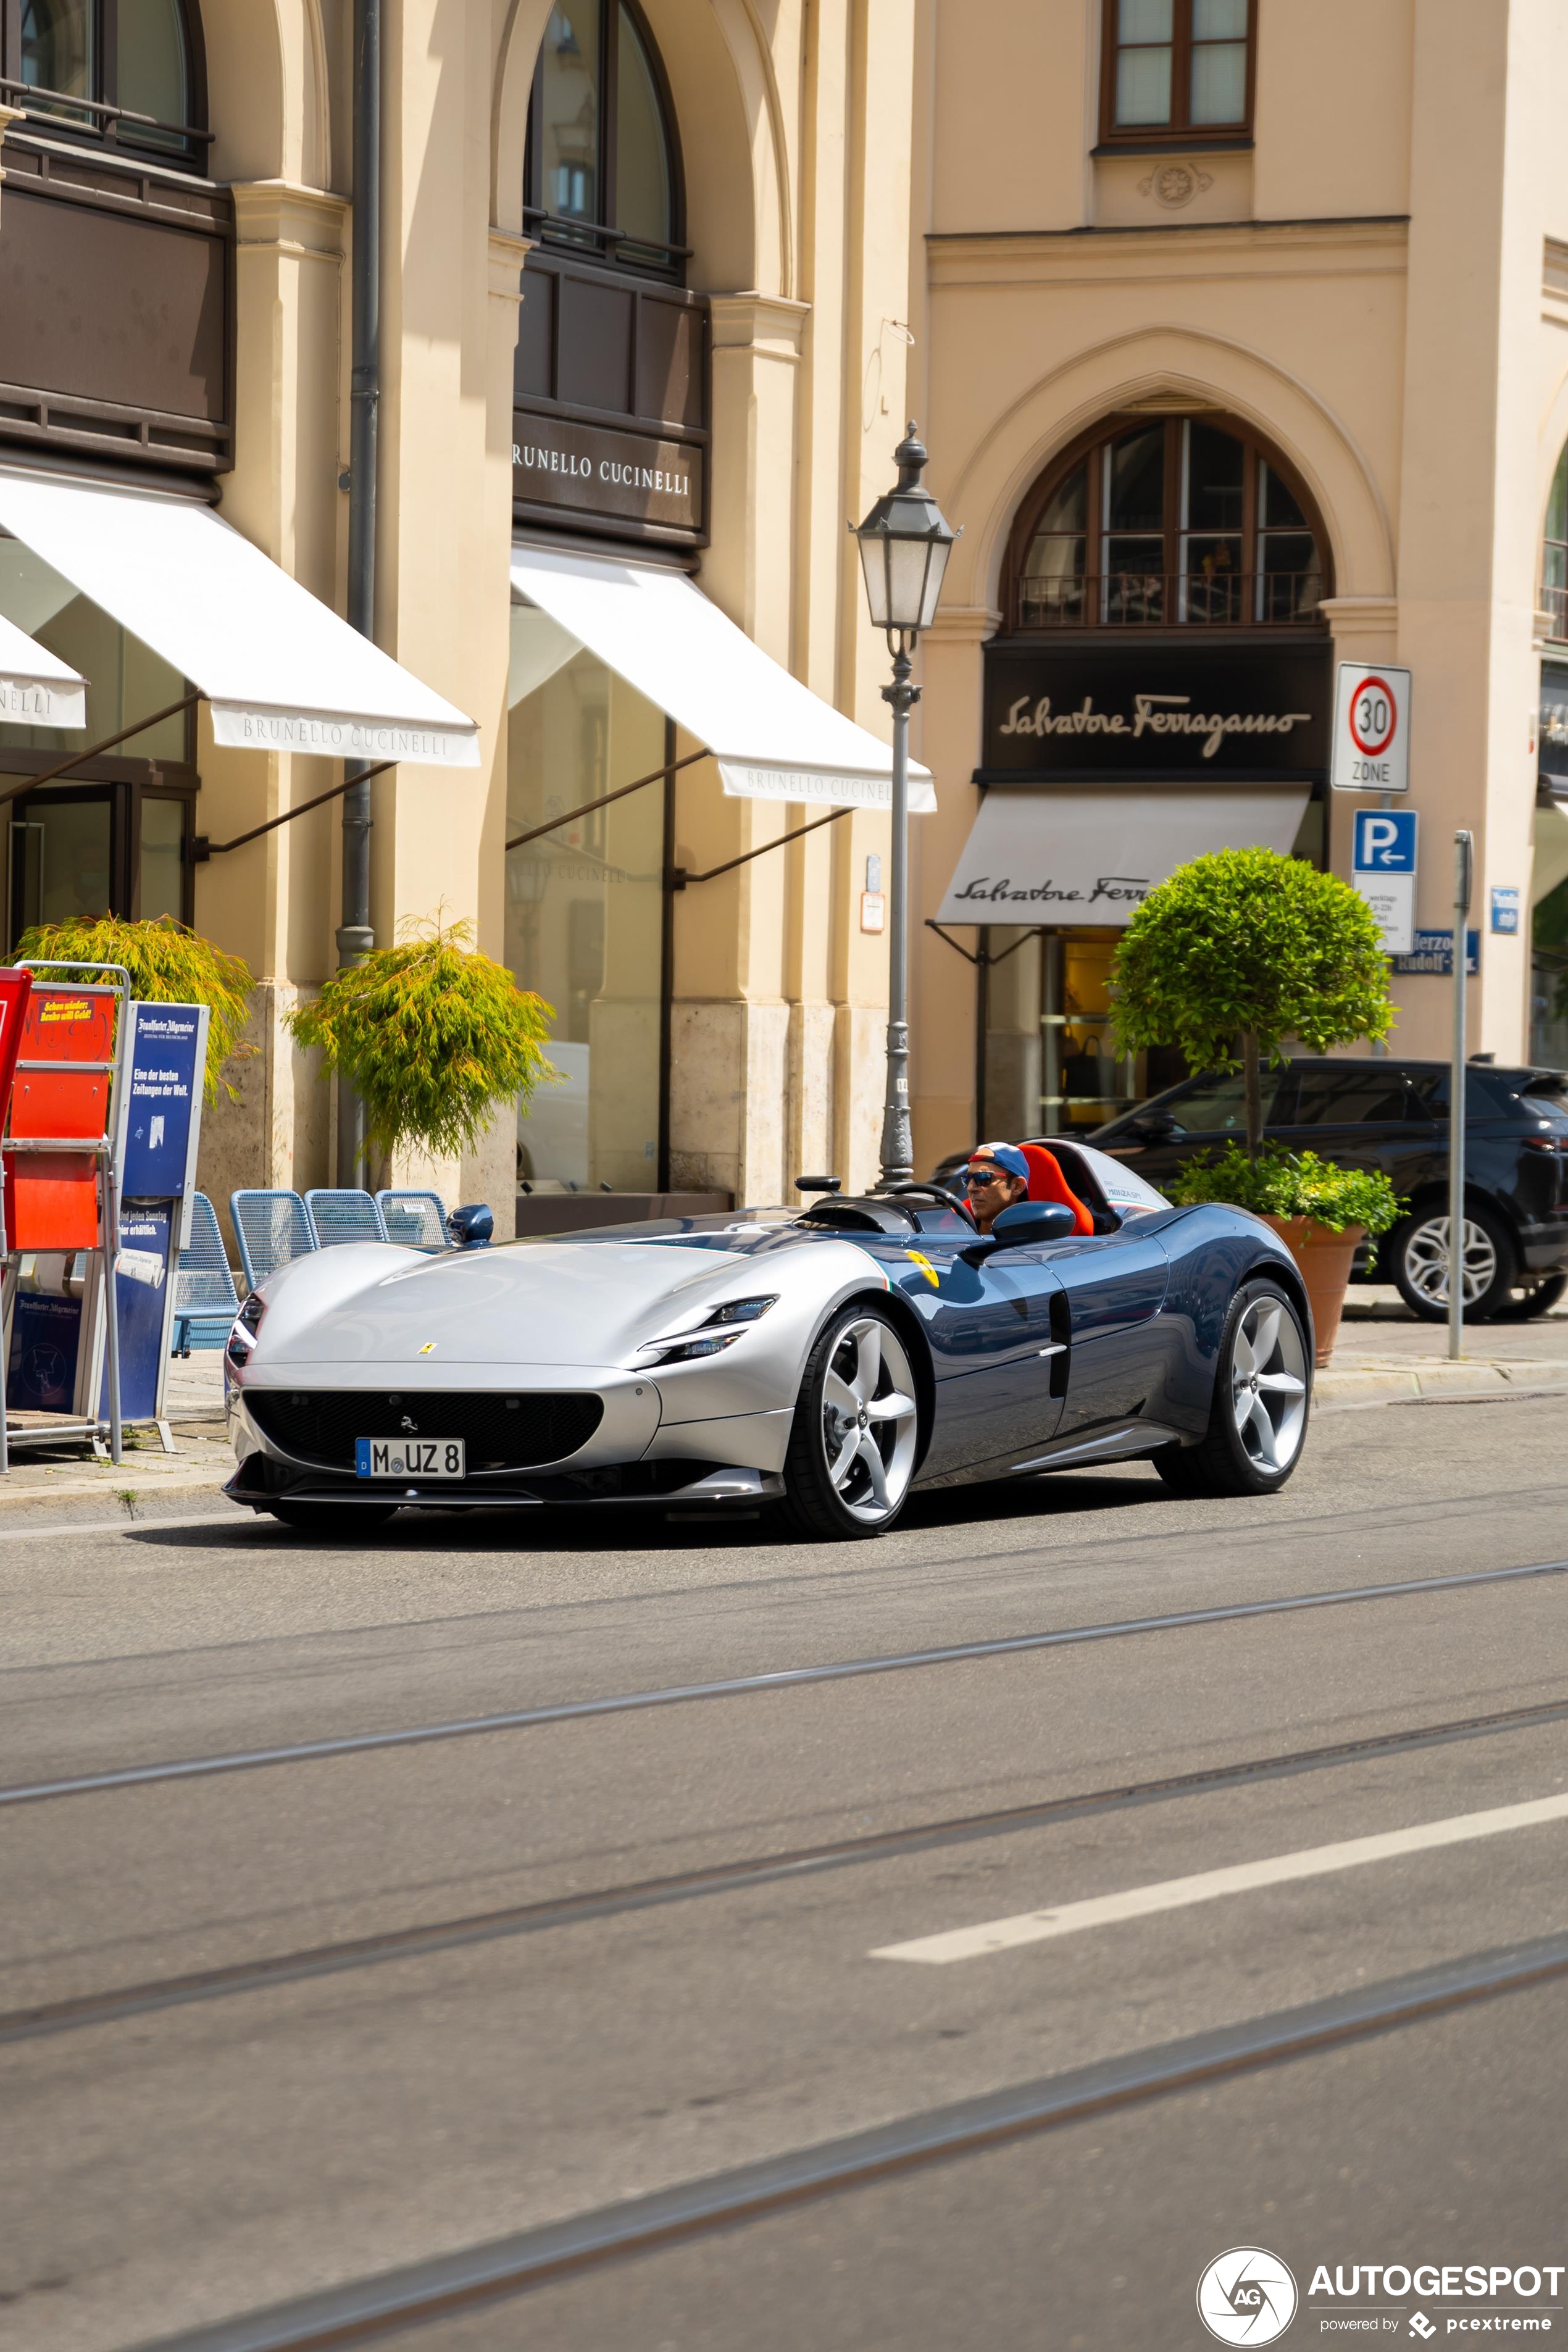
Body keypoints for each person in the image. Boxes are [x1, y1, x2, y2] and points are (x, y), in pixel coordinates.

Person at [960, 1141, 1031, 1233]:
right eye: (967, 1179)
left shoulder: (1036, 1242)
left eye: (984, 1178)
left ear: (1017, 1186)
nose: (970, 1188)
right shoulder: (955, 1233)